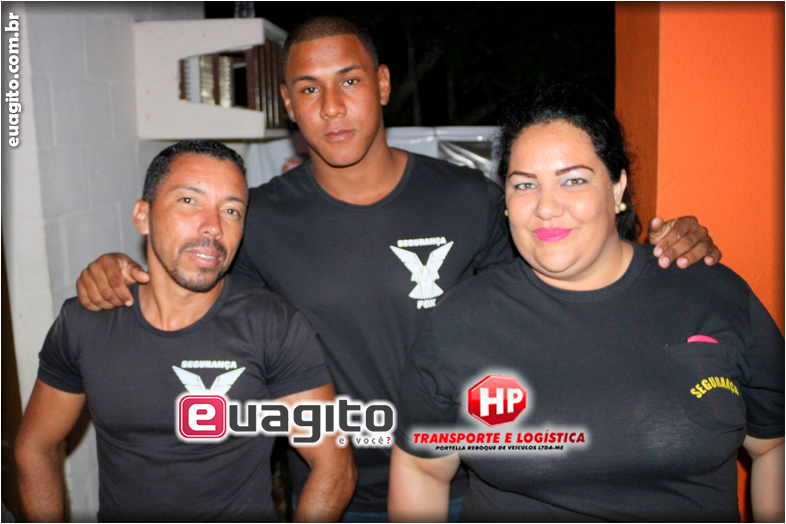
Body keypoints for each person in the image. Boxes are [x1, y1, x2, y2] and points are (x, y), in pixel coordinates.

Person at [74, 17, 722, 521]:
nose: (332, 106)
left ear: (382, 85)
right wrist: (119, 271)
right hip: (336, 492)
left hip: (471, 481)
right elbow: (194, 297)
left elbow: (566, 280)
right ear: (289, 105)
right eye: (309, 89)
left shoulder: (469, 198)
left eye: (349, 81)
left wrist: (663, 248)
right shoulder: (256, 221)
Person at [389, 85, 784, 522]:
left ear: (617, 188)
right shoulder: (461, 321)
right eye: (525, 185)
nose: (546, 208)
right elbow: (423, 469)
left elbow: (774, 444)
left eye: (573, 180)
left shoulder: (713, 295)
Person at [15, 141, 356, 522]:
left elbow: (334, 467)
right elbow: (35, 446)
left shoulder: (271, 325)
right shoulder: (86, 321)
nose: (213, 226)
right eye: (189, 201)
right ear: (143, 217)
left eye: (231, 210)